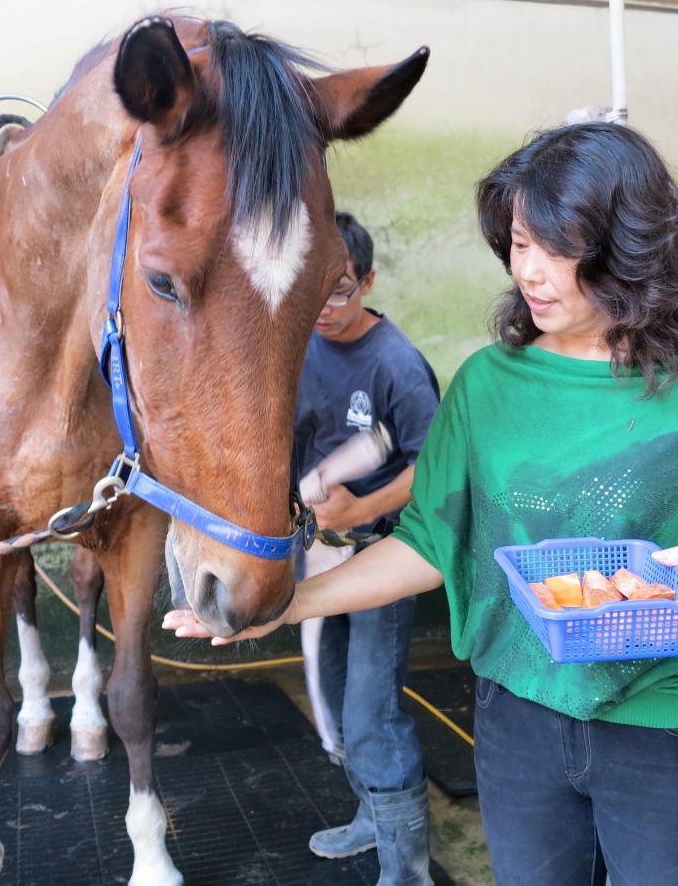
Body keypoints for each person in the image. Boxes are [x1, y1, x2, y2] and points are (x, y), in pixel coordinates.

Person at [166, 122, 678, 886]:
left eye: (558, 247)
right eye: (518, 244)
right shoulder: (488, 384)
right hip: (520, 722)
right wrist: (289, 604)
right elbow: (426, 543)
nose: (530, 273)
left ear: (633, 246)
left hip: (674, 731)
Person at [291, 210, 440, 886]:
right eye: (312, 290)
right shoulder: (300, 342)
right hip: (322, 551)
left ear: (369, 280)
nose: (324, 308)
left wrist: (363, 506)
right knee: (339, 701)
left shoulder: (399, 367)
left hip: (383, 555)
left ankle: (404, 870)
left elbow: (431, 472)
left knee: (372, 714)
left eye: (341, 290)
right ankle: (369, 818)